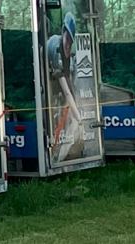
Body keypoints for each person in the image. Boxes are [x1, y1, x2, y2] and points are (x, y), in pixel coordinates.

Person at [45, 12, 84, 161]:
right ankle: (55, 157)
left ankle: (63, 155)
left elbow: (70, 81)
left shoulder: (70, 54)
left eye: (71, 41)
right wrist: (78, 116)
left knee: (69, 118)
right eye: (67, 39)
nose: (68, 44)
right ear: (63, 32)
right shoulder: (56, 48)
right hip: (50, 86)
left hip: (61, 86)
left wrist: (76, 104)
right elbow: (65, 89)